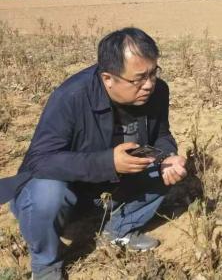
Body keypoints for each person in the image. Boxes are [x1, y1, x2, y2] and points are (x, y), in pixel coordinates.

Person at [0, 28, 187, 280]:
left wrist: (167, 156)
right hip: (69, 190)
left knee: (166, 171)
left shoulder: (157, 92)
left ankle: (118, 231)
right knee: (46, 192)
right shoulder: (71, 97)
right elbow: (40, 160)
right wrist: (107, 162)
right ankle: (46, 264)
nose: (149, 84)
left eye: (154, 73)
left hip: (110, 188)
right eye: (139, 78)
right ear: (108, 78)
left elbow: (161, 136)